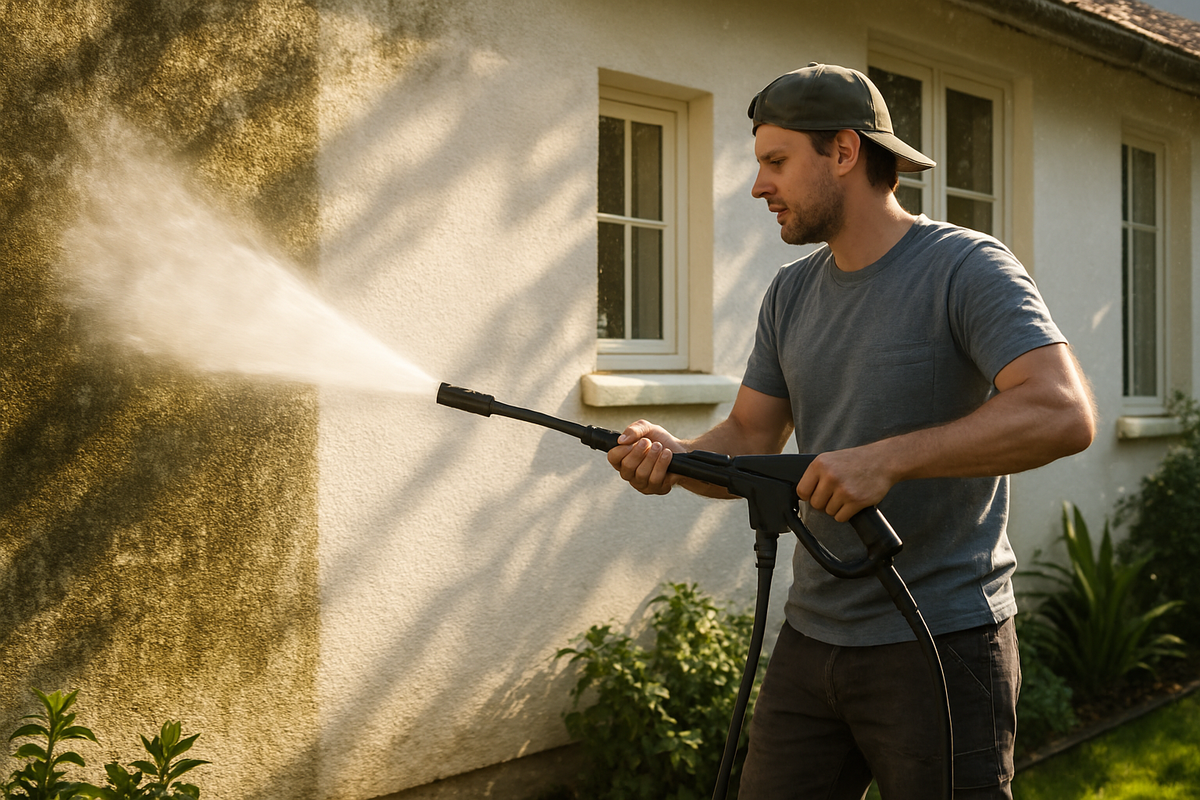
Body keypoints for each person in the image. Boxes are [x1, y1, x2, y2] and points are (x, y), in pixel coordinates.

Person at [605, 63, 1095, 800]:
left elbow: (1062, 411)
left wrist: (887, 460)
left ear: (843, 152)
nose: (758, 185)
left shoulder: (965, 267)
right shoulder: (791, 293)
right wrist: (675, 460)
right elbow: (748, 434)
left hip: (943, 639)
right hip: (812, 639)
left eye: (776, 161)